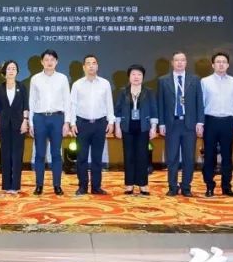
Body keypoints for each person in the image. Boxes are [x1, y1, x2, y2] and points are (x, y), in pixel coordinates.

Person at [157, 51, 204, 197]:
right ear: (172, 63)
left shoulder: (194, 79)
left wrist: (200, 122)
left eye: (182, 60)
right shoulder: (163, 80)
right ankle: (172, 186)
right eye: (177, 60)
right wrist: (161, 123)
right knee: (172, 157)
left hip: (189, 124)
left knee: (189, 158)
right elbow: (160, 104)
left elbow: (199, 102)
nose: (179, 63)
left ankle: (186, 187)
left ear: (186, 63)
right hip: (172, 124)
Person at [68, 54, 115, 195]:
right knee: (81, 157)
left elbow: (109, 103)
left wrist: (111, 121)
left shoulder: (105, 84)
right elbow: (72, 105)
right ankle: (82, 186)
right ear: (84, 67)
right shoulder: (77, 85)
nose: (91, 66)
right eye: (88, 63)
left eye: (94, 63)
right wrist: (72, 123)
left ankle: (96, 187)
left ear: (97, 66)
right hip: (82, 124)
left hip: (100, 124)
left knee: (97, 157)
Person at [200, 52, 233, 197]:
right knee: (209, 156)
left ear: (228, 65)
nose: (221, 64)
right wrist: (200, 123)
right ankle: (209, 186)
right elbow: (201, 104)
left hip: (228, 121)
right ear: (213, 65)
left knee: (227, 156)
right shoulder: (205, 81)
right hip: (210, 121)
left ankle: (226, 187)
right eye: (218, 62)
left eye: (224, 62)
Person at [29, 49, 70, 196]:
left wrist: (67, 122)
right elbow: (32, 101)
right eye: (46, 59)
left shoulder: (62, 78)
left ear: (56, 62)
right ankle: (39, 185)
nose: (49, 62)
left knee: (56, 154)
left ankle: (57, 185)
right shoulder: (35, 79)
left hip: (57, 118)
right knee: (40, 154)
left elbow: (67, 101)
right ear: (42, 62)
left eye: (52, 59)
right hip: (40, 118)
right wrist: (31, 123)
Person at [114, 64, 157, 195]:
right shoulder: (123, 92)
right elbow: (117, 111)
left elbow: (154, 110)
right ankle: (129, 184)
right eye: (133, 74)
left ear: (143, 77)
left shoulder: (149, 92)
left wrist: (153, 127)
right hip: (127, 128)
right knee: (128, 156)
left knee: (142, 156)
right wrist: (117, 128)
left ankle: (143, 185)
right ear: (129, 77)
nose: (136, 77)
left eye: (139, 74)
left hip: (143, 128)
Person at [0, 60, 28, 194]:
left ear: (17, 71)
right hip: (4, 123)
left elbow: (25, 106)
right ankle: (6, 185)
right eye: (9, 68)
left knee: (17, 154)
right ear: (4, 72)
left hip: (19, 123)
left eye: (14, 68)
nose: (11, 71)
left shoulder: (22, 87)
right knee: (6, 154)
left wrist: (25, 121)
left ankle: (15, 185)